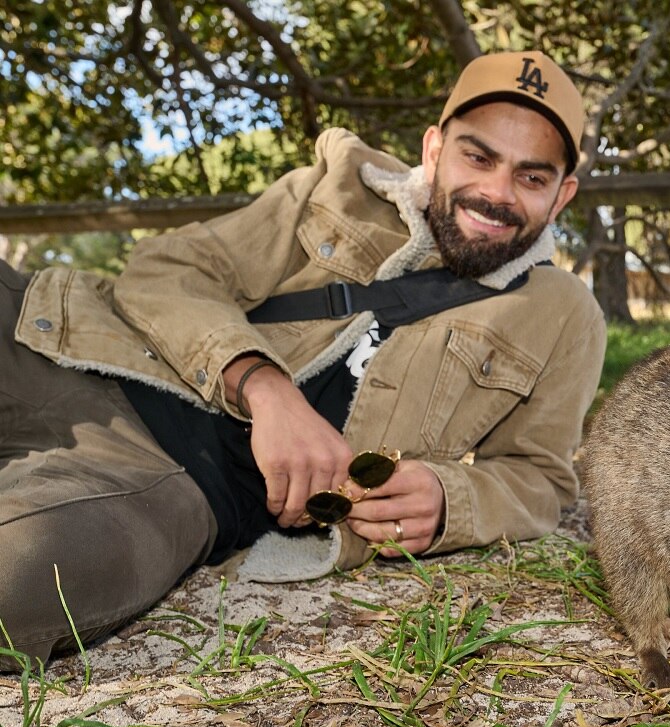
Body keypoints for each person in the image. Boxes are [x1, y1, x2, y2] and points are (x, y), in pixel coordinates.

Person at [0, 50, 606, 667]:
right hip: (60, 337)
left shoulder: (564, 316)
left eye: (531, 178)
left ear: (562, 196)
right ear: (434, 150)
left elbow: (541, 477)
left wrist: (451, 499)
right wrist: (265, 389)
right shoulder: (336, 185)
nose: (496, 193)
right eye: (478, 157)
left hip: (166, 485)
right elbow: (168, 267)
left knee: (19, 582)